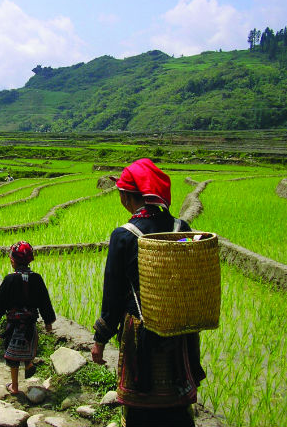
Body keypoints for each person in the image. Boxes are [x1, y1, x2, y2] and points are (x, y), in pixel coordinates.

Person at [90, 158, 206, 427]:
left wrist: (100, 338)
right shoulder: (182, 229)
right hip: (179, 330)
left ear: (128, 196)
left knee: (141, 408)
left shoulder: (124, 235)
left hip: (140, 332)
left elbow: (114, 295)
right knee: (177, 406)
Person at [0, 241, 56, 395]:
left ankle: (14, 386)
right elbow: (44, 301)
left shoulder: (10, 279)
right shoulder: (36, 279)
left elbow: (0, 300)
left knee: (12, 356)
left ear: (12, 261)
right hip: (30, 322)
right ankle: (28, 364)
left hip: (13, 323)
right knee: (28, 345)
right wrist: (48, 321)